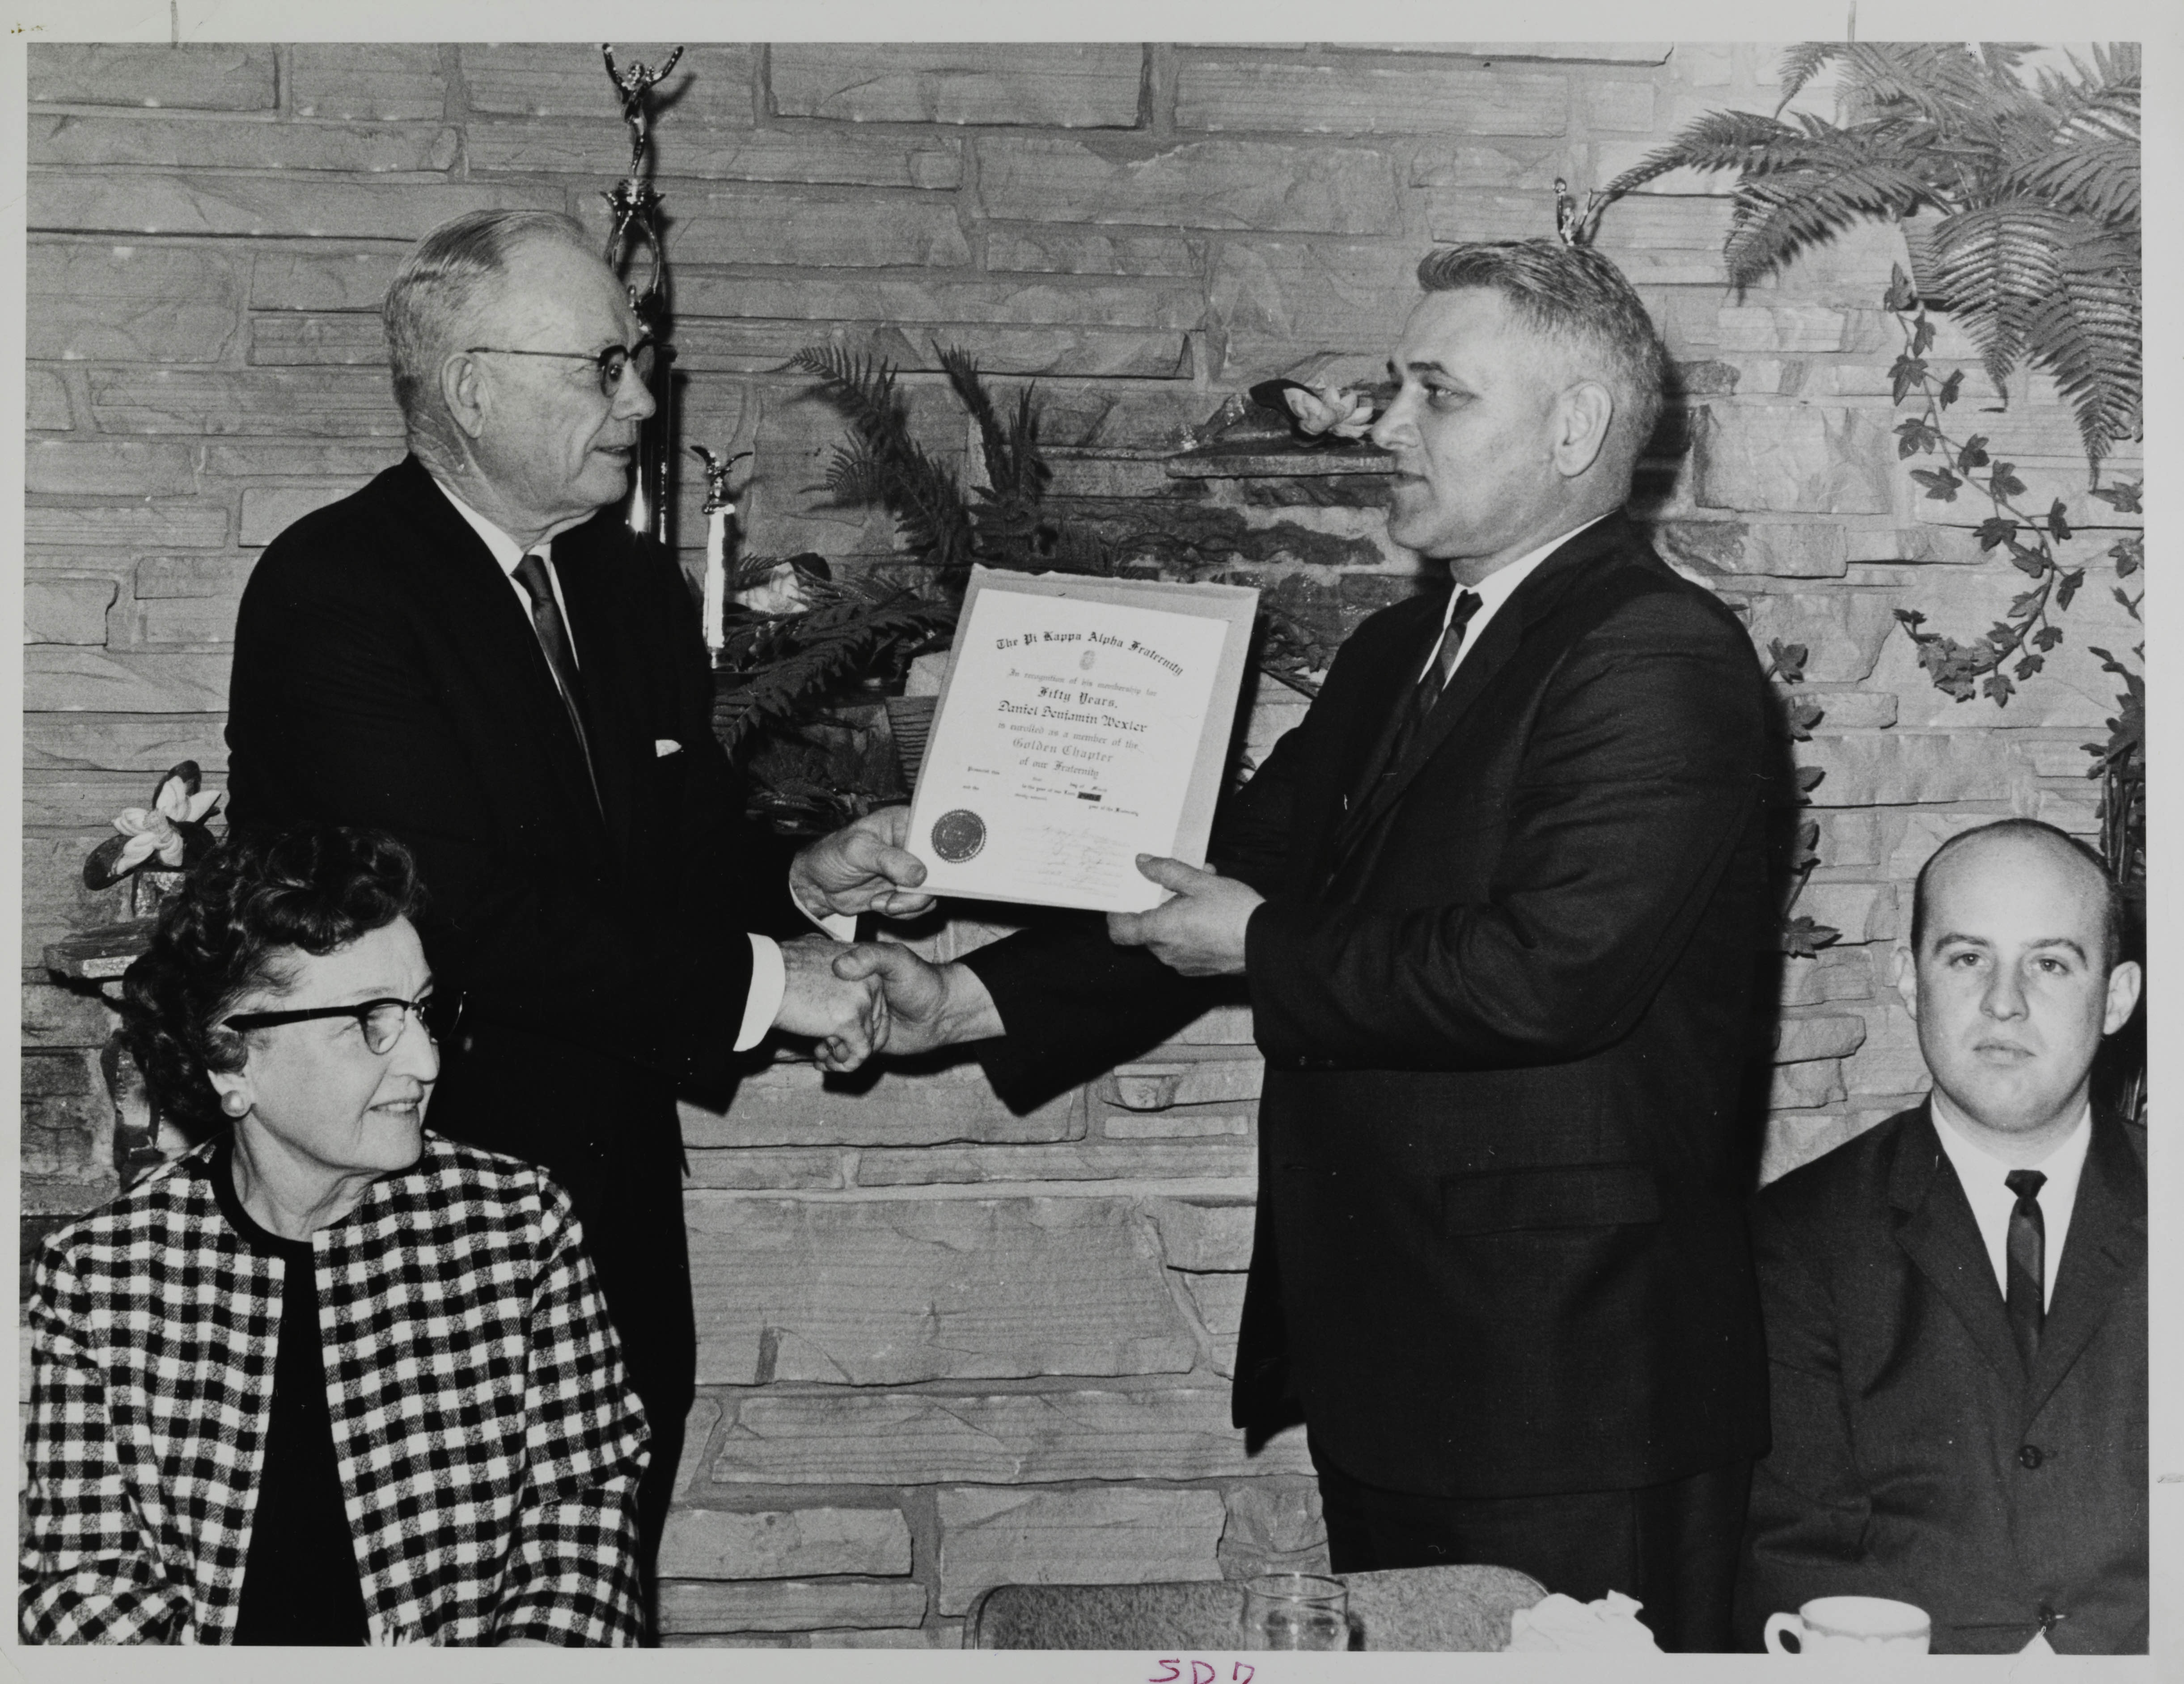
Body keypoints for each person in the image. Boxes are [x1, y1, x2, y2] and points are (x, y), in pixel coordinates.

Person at [842, 240, 1774, 1650]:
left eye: (1436, 394)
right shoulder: (1397, 654)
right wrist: (963, 999)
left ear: (1575, 428)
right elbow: (1207, 887)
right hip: (1398, 1365)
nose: (1386, 427)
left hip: (1574, 1394)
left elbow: (1543, 970)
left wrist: (1262, 939)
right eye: (1396, 389)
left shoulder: (1658, 654)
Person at [221, 208, 930, 1587]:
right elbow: (449, 914)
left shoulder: (624, 587)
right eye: (603, 366)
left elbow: (658, 859)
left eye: (636, 360)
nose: (643, 399)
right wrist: (777, 989)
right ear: (472, 385)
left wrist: (799, 879)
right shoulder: (336, 590)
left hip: (609, 1242)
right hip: (405, 1223)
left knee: (591, 1598)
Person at [20, 825, 648, 1646]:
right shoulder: (99, 1280)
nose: (424, 1060)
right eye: (369, 1023)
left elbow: (585, 1528)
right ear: (228, 1059)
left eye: (422, 1012)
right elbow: (78, 1582)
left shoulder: (519, 1228)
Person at [1736, 820, 2146, 1654]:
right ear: (1908, 980)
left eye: (2051, 962)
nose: (2005, 1001)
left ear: (2117, 997)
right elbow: (1793, 1557)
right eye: (1966, 958)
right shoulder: (1796, 1241)